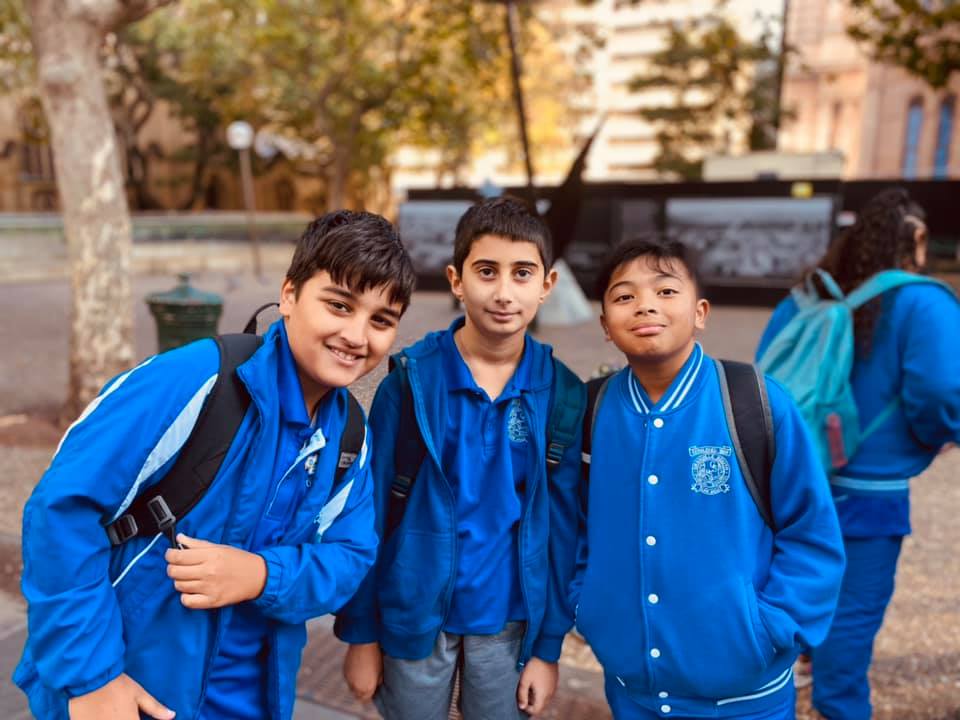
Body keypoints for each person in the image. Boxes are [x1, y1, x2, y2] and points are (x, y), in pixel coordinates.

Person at [14, 211, 416, 720]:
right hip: (131, 693)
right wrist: (92, 680)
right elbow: (60, 512)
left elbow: (351, 556)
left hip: (254, 700)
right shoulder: (194, 380)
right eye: (339, 305)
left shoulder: (349, 435)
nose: (358, 336)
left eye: (381, 320)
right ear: (289, 295)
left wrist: (261, 575)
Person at [574, 238, 845, 719]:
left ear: (700, 311)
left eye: (665, 291)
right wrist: (587, 607)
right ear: (606, 328)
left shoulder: (753, 402)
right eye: (624, 296)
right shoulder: (590, 412)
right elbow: (570, 527)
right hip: (632, 693)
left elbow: (812, 532)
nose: (645, 306)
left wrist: (772, 628)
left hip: (746, 697)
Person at [335, 196, 583, 719]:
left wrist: (547, 648)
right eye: (486, 271)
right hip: (412, 613)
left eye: (522, 274)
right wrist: (360, 635)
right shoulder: (411, 382)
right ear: (456, 280)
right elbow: (368, 512)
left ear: (547, 285)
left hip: (512, 623)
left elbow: (563, 531)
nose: (503, 292)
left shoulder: (561, 393)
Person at [756, 188, 960, 720]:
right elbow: (942, 391)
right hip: (867, 492)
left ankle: (774, 696)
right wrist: (937, 434)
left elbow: (762, 380)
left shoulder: (802, 298)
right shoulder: (923, 300)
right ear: (915, 238)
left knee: (789, 595)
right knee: (850, 619)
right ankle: (839, 708)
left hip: (785, 483)